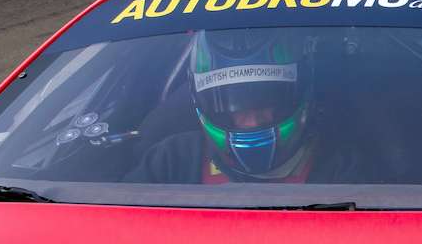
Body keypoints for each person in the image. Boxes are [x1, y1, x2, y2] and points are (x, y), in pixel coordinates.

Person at [127, 29, 359, 184]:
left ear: (302, 93)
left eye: (266, 102)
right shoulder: (172, 161)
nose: (252, 122)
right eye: (233, 107)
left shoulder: (340, 168)